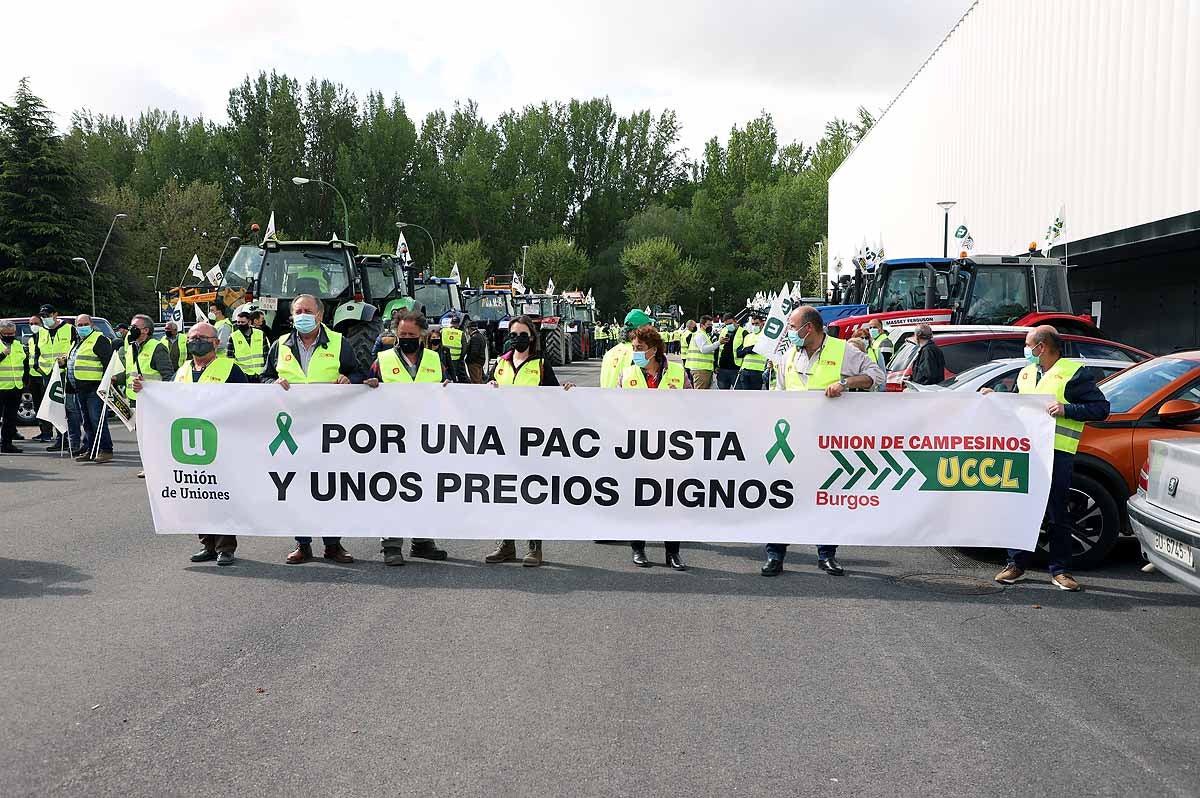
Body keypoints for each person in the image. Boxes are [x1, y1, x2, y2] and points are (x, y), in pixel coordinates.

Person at [763, 306, 884, 577]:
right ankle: (775, 555)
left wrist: (845, 382)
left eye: (793, 327)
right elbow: (778, 393)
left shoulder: (843, 351)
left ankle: (826, 555)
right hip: (792, 441)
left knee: (827, 500)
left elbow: (877, 376)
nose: (789, 332)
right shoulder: (788, 355)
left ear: (809, 328)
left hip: (828, 442)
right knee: (782, 498)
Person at [987, 326, 1109, 591]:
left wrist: (1067, 409)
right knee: (1020, 508)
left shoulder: (1073, 373)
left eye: (1028, 344)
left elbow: (1101, 408)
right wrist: (995, 397)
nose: (1026, 349)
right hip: (1026, 450)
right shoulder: (1027, 372)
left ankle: (1061, 571)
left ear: (1041, 347)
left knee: (1057, 513)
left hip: (1057, 453)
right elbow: (1018, 405)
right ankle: (1015, 565)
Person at [262, 294, 363, 565]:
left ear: (320, 316)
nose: (302, 315)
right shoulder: (279, 344)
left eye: (307, 311)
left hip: (330, 429)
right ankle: (302, 544)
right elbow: (264, 376)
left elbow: (357, 374)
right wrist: (272, 382)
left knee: (328, 486)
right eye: (297, 311)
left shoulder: (340, 344)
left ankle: (333, 544)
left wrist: (348, 379)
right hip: (292, 429)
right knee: (298, 486)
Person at [133, 322, 245, 565]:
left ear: (215, 343)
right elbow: (167, 398)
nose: (196, 341)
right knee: (198, 495)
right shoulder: (183, 370)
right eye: (192, 337)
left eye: (202, 337)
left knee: (221, 495)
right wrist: (146, 390)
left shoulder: (230, 368)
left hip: (221, 443)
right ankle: (207, 544)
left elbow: (245, 401)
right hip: (190, 444)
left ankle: (226, 547)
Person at [484, 315, 575, 566]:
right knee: (503, 493)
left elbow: (556, 396)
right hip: (504, 439)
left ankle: (534, 547)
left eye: (523, 334)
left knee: (532, 493)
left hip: (533, 440)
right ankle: (506, 545)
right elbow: (483, 396)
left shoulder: (541, 364)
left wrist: (567, 391)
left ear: (532, 337)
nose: (518, 339)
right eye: (514, 334)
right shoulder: (500, 364)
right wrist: (488, 385)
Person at [363, 310, 450, 566]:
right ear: (395, 334)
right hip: (392, 438)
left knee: (424, 489)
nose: (407, 338)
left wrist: (449, 388)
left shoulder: (435, 359)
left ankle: (422, 542)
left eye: (412, 334)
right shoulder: (382, 359)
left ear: (422, 335)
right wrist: (369, 387)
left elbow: (452, 388)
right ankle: (391, 544)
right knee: (392, 490)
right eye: (403, 334)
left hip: (427, 438)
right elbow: (366, 395)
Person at [618, 324, 690, 569]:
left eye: (639, 348)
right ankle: (638, 548)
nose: (635, 352)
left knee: (672, 503)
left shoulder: (679, 373)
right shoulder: (627, 376)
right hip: (638, 449)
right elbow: (610, 407)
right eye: (633, 347)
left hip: (671, 450)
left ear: (654, 349)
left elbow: (696, 407)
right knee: (639, 501)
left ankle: (673, 553)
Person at [64, 314, 114, 463]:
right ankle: (91, 449)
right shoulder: (78, 341)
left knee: (97, 420)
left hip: (94, 387)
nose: (82, 327)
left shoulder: (99, 339)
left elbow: (108, 363)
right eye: (79, 325)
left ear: (91, 324)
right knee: (87, 421)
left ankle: (106, 450)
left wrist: (106, 385)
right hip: (80, 388)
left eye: (85, 324)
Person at [34, 305, 75, 449]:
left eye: (48, 315)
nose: (45, 318)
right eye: (43, 316)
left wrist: (66, 362)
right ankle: (60, 439)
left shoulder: (69, 329)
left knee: (67, 407)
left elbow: (75, 349)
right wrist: (36, 365)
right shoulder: (41, 331)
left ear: (55, 314)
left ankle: (70, 439)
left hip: (64, 373)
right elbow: (37, 351)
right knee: (54, 405)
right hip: (47, 373)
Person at [118, 315, 176, 405]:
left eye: (135, 327)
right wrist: (115, 378)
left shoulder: (157, 347)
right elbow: (130, 372)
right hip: (133, 400)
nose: (131, 330)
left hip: (151, 401)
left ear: (146, 330)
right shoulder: (131, 347)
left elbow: (168, 378)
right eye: (131, 327)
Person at [600, 309, 649, 389]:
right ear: (641, 330)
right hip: (627, 399)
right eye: (648, 326)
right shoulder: (640, 353)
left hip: (608, 399)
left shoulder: (610, 352)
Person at [0, 320, 27, 453]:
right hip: (0, 387)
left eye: (11, 333)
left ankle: (7, 444)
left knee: (10, 418)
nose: (9, 335)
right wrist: (2, 355)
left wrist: (25, 381)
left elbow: (24, 363)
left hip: (15, 387)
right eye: (6, 333)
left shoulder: (18, 344)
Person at [228, 309, 268, 382]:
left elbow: (266, 354)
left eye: (243, 322)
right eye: (238, 322)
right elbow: (230, 358)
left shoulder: (260, 334)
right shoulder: (233, 337)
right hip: (242, 375)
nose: (240, 324)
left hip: (260, 374)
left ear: (249, 322)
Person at [683, 314, 719, 390]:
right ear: (702, 325)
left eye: (711, 324)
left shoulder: (704, 335)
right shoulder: (700, 335)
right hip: (700, 370)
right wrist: (718, 343)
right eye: (708, 324)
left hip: (703, 369)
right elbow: (704, 350)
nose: (710, 326)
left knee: (703, 393)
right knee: (700, 394)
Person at [736, 311, 768, 390]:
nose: (754, 326)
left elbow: (757, 348)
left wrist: (746, 349)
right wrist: (748, 349)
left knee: (754, 398)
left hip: (757, 371)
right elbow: (739, 352)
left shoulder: (765, 336)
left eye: (757, 323)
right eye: (753, 324)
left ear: (762, 324)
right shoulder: (748, 336)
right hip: (744, 370)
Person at [714, 313, 744, 390]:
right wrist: (715, 365)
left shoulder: (743, 332)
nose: (728, 326)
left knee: (739, 395)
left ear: (735, 321)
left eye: (730, 323)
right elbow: (718, 349)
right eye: (726, 324)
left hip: (736, 369)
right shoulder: (723, 331)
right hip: (722, 369)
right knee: (723, 396)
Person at [440, 313, 469, 383]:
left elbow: (440, 343)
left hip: (444, 358)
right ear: (458, 324)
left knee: (445, 374)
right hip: (455, 359)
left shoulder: (443, 331)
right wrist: (461, 358)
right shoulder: (460, 333)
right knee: (454, 376)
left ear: (450, 323)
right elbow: (464, 348)